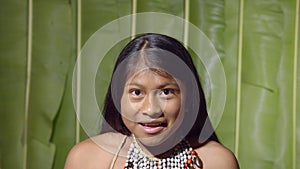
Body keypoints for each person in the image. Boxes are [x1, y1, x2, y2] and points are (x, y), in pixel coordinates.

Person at [64, 33, 239, 169]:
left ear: (189, 98)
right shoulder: (85, 159)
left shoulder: (216, 162)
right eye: (137, 92)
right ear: (118, 98)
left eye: (166, 92)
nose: (151, 109)